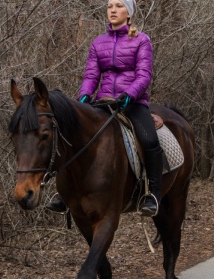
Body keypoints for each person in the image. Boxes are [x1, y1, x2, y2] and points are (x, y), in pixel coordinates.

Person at [47, 0, 163, 217]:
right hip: (103, 102)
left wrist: (128, 96)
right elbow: (91, 75)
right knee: (70, 133)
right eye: (110, 6)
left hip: (132, 103)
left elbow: (144, 75)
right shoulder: (98, 43)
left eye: (119, 6)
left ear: (128, 13)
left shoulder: (141, 40)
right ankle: (65, 194)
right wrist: (83, 98)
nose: (112, 10)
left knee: (149, 140)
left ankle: (153, 194)